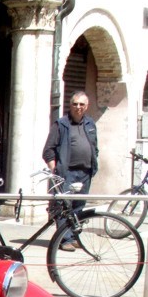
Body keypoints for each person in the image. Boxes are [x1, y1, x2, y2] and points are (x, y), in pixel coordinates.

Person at [42, 91, 99, 251]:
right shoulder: (61, 124)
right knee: (63, 206)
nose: (78, 107)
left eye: (81, 104)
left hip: (85, 172)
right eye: (75, 104)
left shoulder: (90, 124)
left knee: (78, 206)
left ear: (86, 106)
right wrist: (55, 170)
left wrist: (94, 161)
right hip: (66, 173)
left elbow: (95, 146)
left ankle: (74, 237)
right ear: (70, 105)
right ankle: (64, 239)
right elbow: (48, 150)